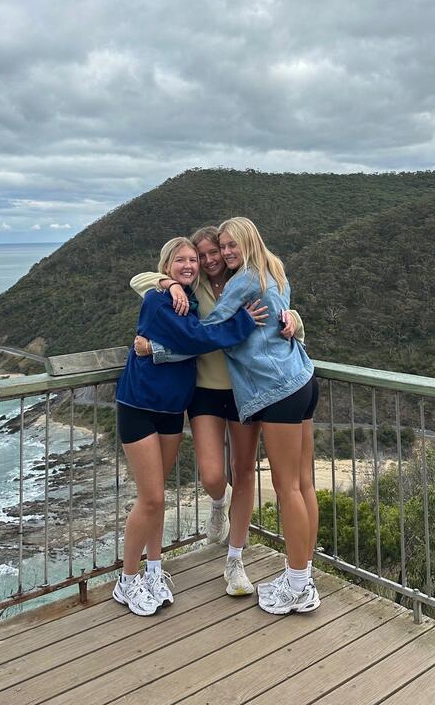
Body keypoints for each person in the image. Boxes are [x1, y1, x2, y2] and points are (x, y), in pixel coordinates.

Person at [140, 217, 320, 615]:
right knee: (214, 476)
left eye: (219, 249)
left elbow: (270, 314)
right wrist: (168, 283)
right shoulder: (192, 284)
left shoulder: (248, 277)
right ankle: (299, 574)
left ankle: (240, 560)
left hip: (251, 393)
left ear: (241, 245)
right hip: (212, 390)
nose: (214, 257)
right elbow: (145, 282)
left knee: (254, 475)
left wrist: (295, 319)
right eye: (208, 253)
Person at [113, 235, 266, 616]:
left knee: (158, 497)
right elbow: (197, 339)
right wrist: (240, 323)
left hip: (171, 409)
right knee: (151, 498)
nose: (191, 264)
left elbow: (190, 339)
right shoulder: (160, 298)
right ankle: (126, 581)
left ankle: (152, 570)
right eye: (182, 260)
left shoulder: (194, 298)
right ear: (166, 267)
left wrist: (291, 318)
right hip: (140, 404)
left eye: (194, 259)